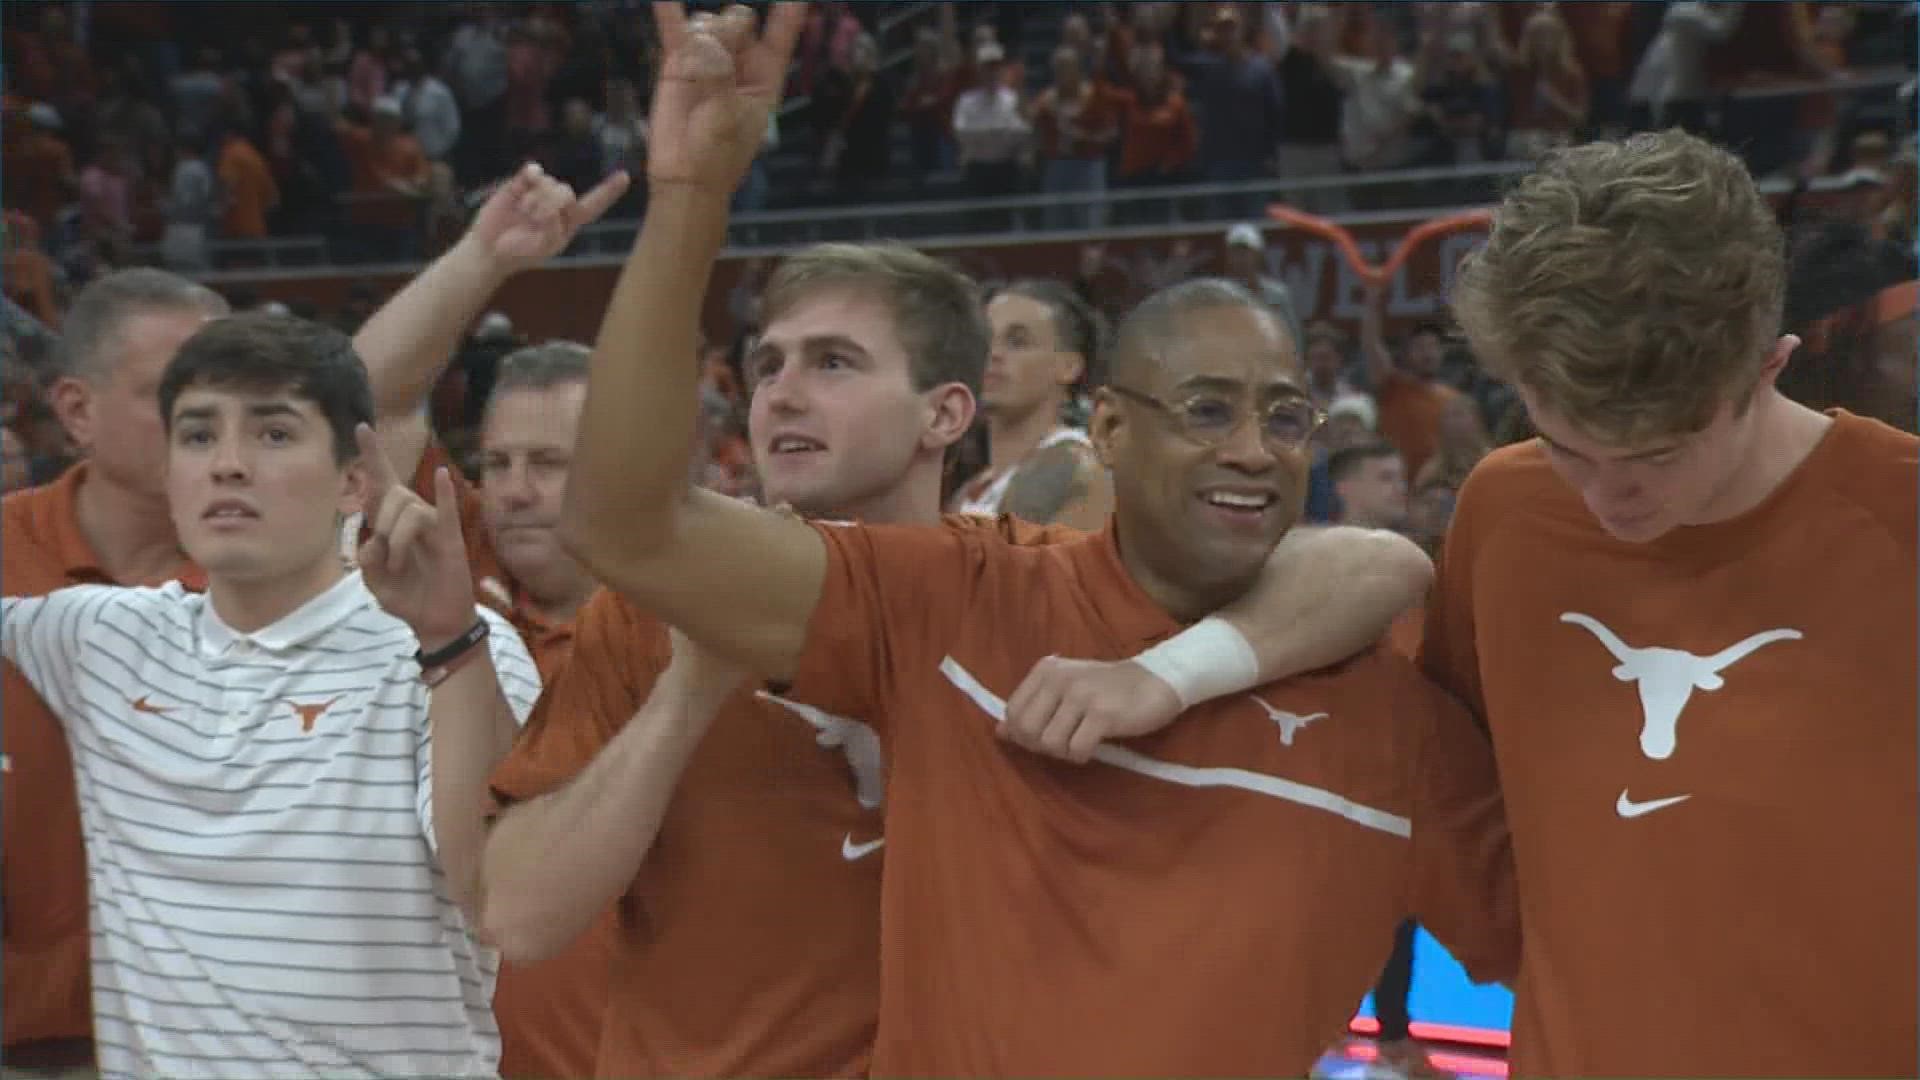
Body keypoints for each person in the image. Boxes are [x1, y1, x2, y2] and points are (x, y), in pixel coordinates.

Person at [528, 6, 1516, 1075]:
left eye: (1285, 418)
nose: (1253, 450)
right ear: (1111, 430)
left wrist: (1173, 676)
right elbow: (626, 524)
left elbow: (1574, 948)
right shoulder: (961, 600)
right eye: (1206, 410)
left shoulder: (1383, 694)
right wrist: (688, 200)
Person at [2, 164, 627, 1078]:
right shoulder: (97, 635)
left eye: (272, 434)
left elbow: (497, 899)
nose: (228, 463)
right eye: (198, 433)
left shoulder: (453, 650)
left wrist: (452, 644)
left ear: (354, 482)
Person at [1427, 129, 1918, 1076]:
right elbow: (1446, 764)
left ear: (1769, 366)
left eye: (1655, 457)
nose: (1608, 500)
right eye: (1567, 446)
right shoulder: (1504, 507)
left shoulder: (1899, 516)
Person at [951, 279, 1112, 528]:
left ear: (1068, 367)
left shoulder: (1081, 471)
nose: (992, 353)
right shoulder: (972, 489)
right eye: (985, 339)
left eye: (1017, 342)